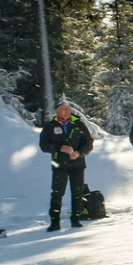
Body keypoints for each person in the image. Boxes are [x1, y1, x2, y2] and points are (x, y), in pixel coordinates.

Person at [38, 98, 93, 231]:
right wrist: (59, 148)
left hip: (77, 164)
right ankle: (55, 222)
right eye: (63, 108)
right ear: (57, 110)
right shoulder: (50, 126)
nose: (67, 110)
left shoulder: (78, 124)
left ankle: (76, 220)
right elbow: (44, 145)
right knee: (57, 193)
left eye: (68, 108)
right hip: (59, 164)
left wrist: (79, 152)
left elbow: (89, 142)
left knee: (77, 192)